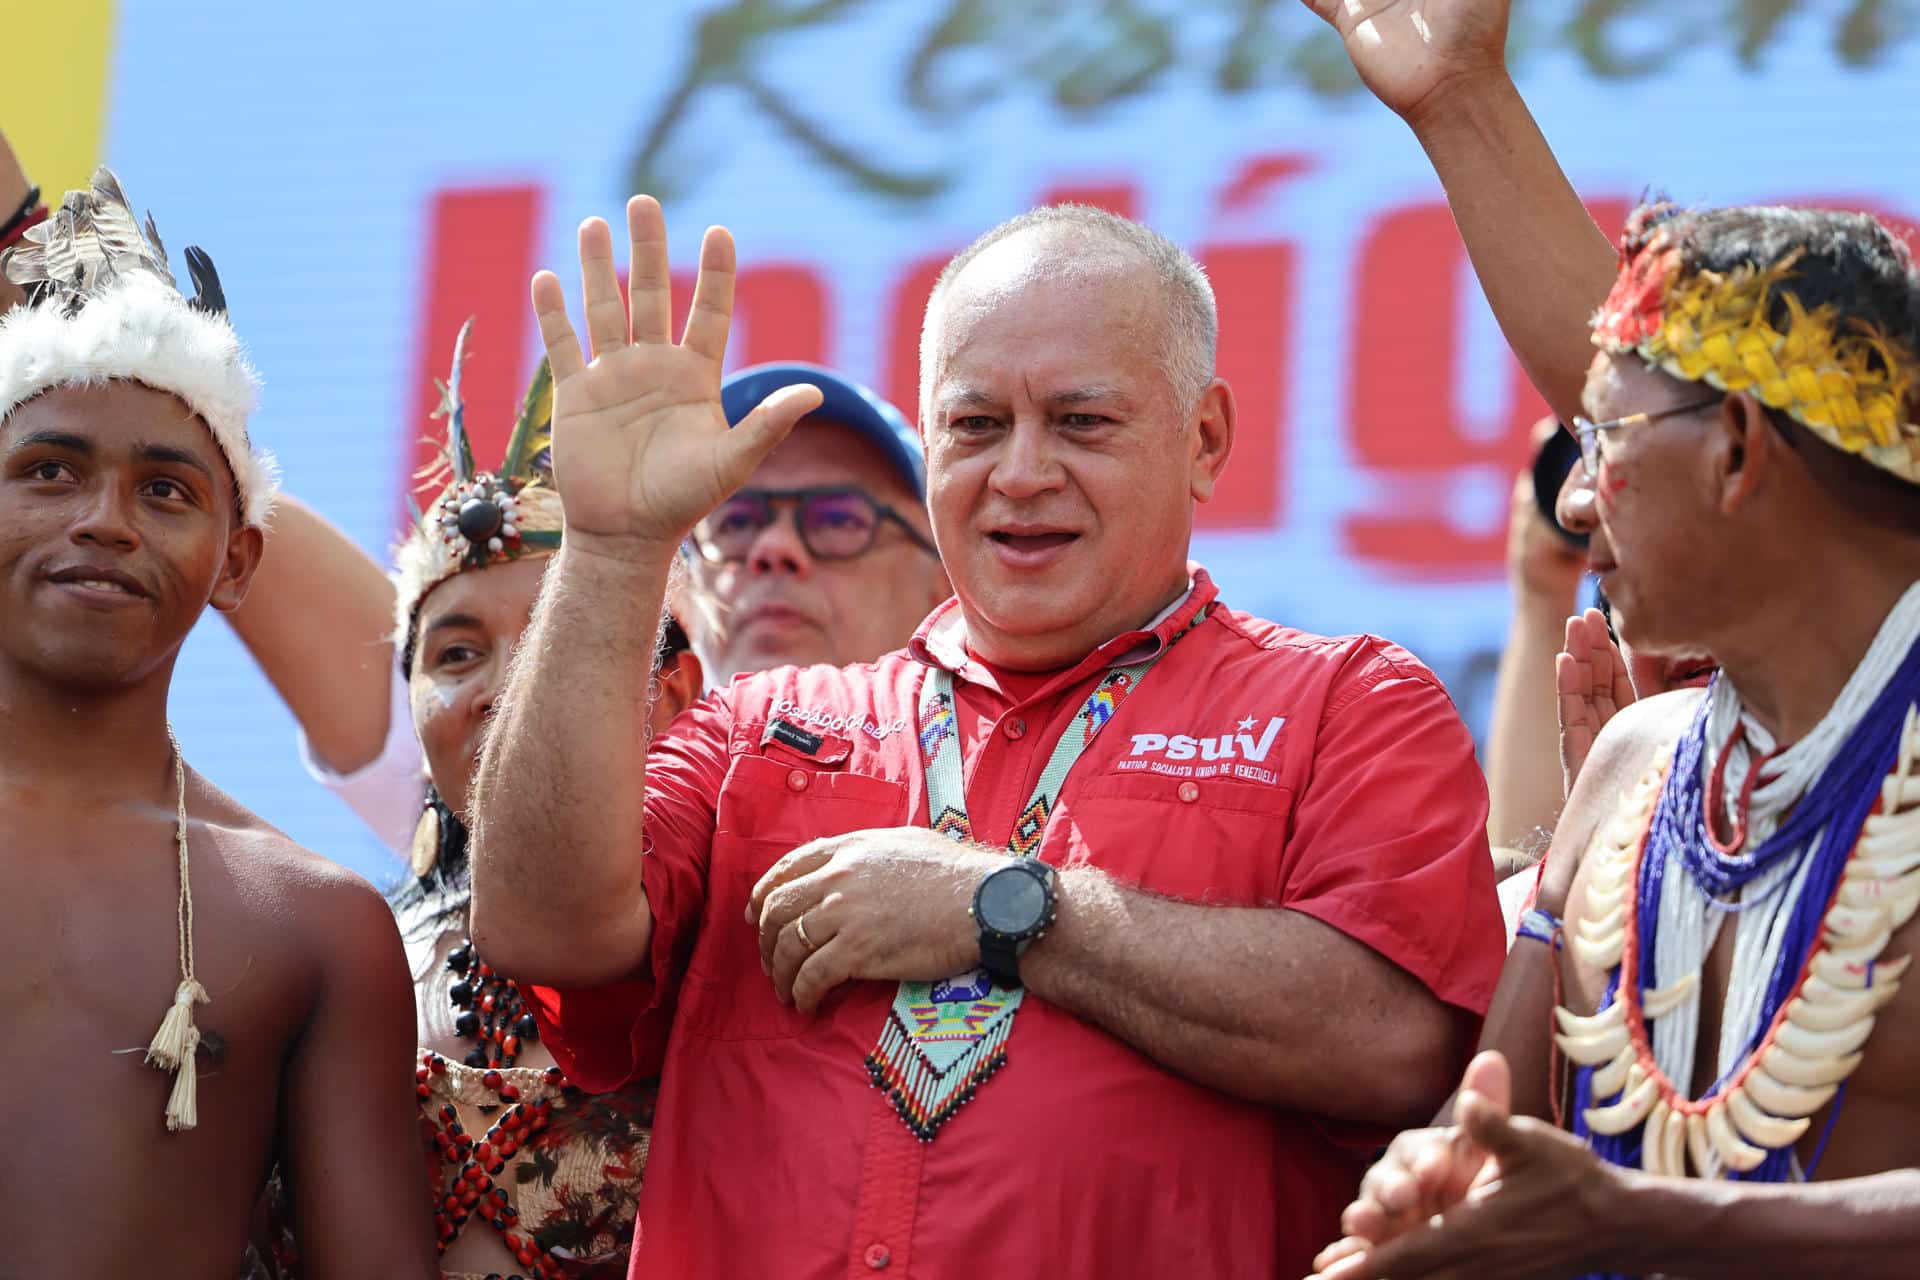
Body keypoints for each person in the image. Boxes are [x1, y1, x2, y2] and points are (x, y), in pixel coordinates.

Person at [467, 196, 1503, 1277]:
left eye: (1081, 422)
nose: (1020, 473)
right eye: (974, 425)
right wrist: (612, 550)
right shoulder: (759, 728)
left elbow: (1395, 1042)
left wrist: (1004, 906)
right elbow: (541, 926)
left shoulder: (1344, 703)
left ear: (1204, 439)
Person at [1301, 1, 1920, 1275]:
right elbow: (1494, 1132)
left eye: (1606, 445)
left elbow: (1602, 1204)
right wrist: (1439, 1186)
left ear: (1741, 451)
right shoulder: (1641, 764)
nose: (1575, 501)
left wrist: (1648, 1219)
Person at [0, 169, 434, 1276]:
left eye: (166, 490)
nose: (102, 521)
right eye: (48, 471)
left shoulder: (312, 924)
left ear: (238, 557)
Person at [226, 362, 940, 857]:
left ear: (945, 582)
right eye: (736, 517)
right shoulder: (565, 752)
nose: (774, 549)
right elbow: (234, 533)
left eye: (841, 518)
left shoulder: (996, 787)